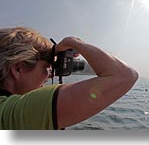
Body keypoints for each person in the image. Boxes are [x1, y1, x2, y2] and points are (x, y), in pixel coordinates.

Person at [0, 27, 138, 130]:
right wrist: (74, 42)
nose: (50, 75)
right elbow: (125, 76)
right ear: (19, 69)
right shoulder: (14, 113)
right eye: (46, 68)